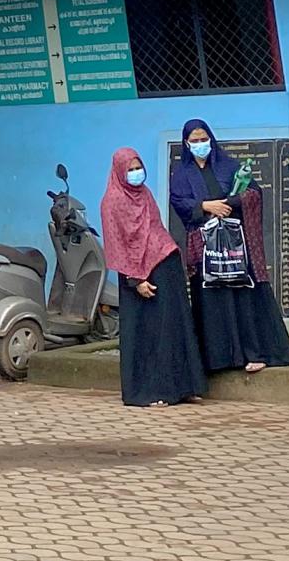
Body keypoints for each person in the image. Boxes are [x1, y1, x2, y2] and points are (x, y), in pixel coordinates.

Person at [168, 119, 289, 375]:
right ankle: (219, 359)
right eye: (193, 141)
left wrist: (228, 202)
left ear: (211, 139)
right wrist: (206, 206)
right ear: (186, 143)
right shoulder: (182, 174)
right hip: (206, 248)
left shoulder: (229, 166)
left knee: (242, 297)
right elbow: (179, 201)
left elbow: (253, 193)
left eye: (203, 139)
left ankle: (254, 353)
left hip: (236, 245)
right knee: (211, 300)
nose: (199, 145)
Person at [101, 147, 203, 408]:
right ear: (119, 172)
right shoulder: (112, 201)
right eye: (130, 169)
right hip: (139, 277)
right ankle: (151, 391)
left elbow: (155, 230)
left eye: (138, 167)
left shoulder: (144, 194)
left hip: (165, 263)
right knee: (150, 335)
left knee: (174, 328)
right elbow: (118, 245)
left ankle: (182, 388)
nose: (136, 173)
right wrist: (135, 280)